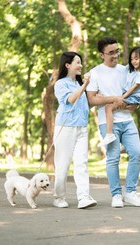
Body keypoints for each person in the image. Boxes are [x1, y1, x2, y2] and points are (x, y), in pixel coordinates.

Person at [87, 37, 140, 208]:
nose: (116, 55)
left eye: (117, 51)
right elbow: (91, 100)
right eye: (111, 53)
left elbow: (138, 89)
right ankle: (116, 195)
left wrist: (136, 104)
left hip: (127, 120)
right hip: (108, 122)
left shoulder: (126, 70)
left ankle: (130, 193)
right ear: (101, 54)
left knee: (136, 153)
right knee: (113, 158)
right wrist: (112, 99)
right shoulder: (95, 73)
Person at [53, 51, 97, 209]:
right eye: (77, 62)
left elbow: (85, 105)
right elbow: (70, 100)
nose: (81, 65)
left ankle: (84, 197)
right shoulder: (61, 84)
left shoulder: (79, 84)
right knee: (62, 165)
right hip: (65, 128)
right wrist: (85, 85)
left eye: (80, 62)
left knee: (82, 163)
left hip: (81, 128)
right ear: (67, 65)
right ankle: (59, 197)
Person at [98, 45, 140, 146]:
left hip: (132, 97)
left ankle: (109, 135)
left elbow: (134, 87)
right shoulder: (131, 70)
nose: (133, 61)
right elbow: (117, 67)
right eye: (131, 59)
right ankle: (118, 138)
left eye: (136, 59)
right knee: (109, 103)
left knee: (109, 108)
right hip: (128, 97)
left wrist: (123, 97)